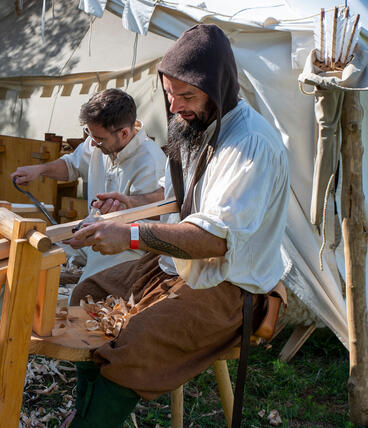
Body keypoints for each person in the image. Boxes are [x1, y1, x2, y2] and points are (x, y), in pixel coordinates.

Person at [61, 24, 289, 427]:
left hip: (227, 286)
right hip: (173, 266)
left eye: (186, 96)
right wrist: (132, 204)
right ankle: (86, 415)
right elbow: (176, 198)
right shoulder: (193, 126)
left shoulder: (250, 145)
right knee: (88, 294)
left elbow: (214, 239)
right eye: (169, 93)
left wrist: (130, 235)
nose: (175, 105)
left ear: (218, 87)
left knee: (135, 343)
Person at [11, 88, 166, 283]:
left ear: (124, 133)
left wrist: (91, 236)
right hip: (92, 234)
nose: (93, 143)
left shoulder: (150, 164)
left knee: (84, 291)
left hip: (129, 249)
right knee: (39, 253)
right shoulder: (98, 141)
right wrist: (40, 170)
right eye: (89, 135)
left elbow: (145, 230)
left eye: (99, 139)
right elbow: (71, 165)